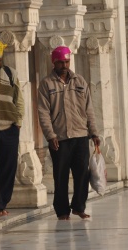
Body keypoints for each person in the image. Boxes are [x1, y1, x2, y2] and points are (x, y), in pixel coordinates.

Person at [37, 46, 100, 220]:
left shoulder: (80, 81)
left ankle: (79, 207)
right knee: (61, 176)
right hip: (60, 138)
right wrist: (50, 135)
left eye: (66, 61)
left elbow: (89, 109)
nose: (64, 65)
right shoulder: (46, 84)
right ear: (54, 62)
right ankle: (62, 211)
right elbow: (43, 112)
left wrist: (94, 133)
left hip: (80, 135)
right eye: (60, 62)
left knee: (82, 174)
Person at [0, 40, 24, 217]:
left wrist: (18, 122)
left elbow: (19, 99)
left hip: (8, 128)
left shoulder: (10, 73)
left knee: (7, 168)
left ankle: (2, 203)